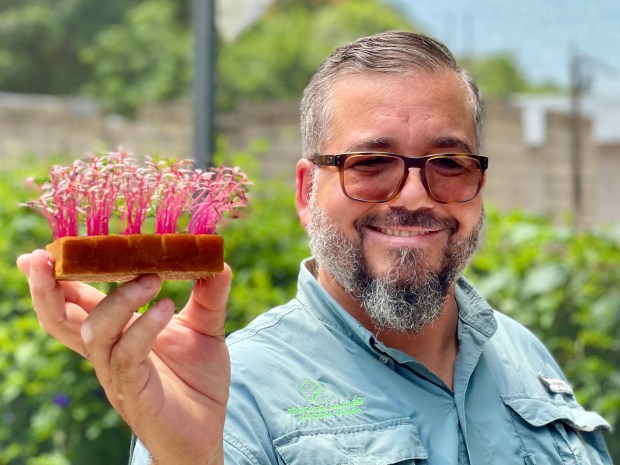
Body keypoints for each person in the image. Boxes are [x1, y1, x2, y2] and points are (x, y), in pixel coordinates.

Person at [17, 31, 612, 465]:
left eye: (448, 163)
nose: (414, 195)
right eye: (371, 163)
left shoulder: (526, 358)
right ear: (306, 190)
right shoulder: (232, 396)